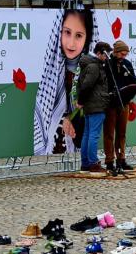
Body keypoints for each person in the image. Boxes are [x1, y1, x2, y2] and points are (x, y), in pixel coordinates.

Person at [34, 9, 96, 155]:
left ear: (87, 38)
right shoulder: (52, 69)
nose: (71, 43)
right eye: (67, 32)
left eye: (79, 35)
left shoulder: (88, 68)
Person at [103, 40, 136, 172]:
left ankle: (121, 159)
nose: (124, 57)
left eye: (126, 54)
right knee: (109, 134)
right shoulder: (107, 64)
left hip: (124, 103)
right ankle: (109, 161)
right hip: (110, 105)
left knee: (121, 133)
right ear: (115, 52)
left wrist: (128, 98)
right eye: (122, 54)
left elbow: (133, 82)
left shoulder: (127, 64)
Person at [77, 42, 111, 172]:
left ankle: (86, 163)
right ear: (99, 53)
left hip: (90, 104)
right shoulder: (94, 67)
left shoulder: (90, 65)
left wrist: (82, 101)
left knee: (87, 134)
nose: (107, 57)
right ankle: (93, 163)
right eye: (106, 55)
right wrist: (81, 101)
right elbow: (86, 85)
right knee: (93, 135)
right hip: (96, 104)